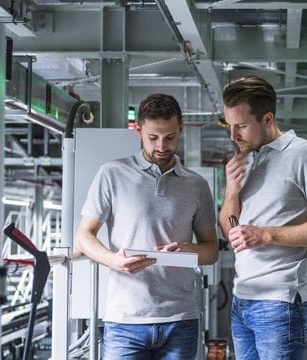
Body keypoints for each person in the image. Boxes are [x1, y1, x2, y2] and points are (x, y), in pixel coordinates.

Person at [75, 93, 218, 359]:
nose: (162, 146)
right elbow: (84, 235)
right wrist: (112, 260)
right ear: (138, 130)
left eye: (170, 137)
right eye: (153, 138)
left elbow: (211, 251)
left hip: (181, 320)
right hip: (125, 320)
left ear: (180, 130)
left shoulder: (197, 185)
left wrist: (189, 249)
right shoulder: (112, 174)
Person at [218, 76, 307, 359]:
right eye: (230, 126)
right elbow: (230, 228)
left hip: (281, 302)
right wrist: (231, 191)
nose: (233, 136)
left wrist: (266, 235)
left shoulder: (304, 155)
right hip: (243, 297)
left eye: (241, 126)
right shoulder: (247, 158)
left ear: (267, 119)